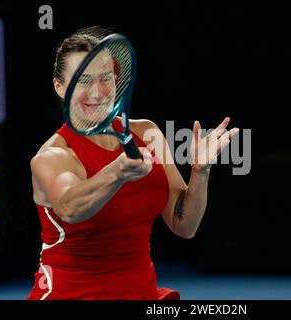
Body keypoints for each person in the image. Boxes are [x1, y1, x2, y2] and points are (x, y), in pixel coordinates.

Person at [27, 26, 239, 300]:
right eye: (84, 80)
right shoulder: (53, 156)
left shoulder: (147, 133)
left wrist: (200, 171)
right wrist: (116, 172)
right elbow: (70, 207)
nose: (97, 91)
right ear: (60, 87)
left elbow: (184, 226)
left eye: (106, 78)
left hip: (142, 295)